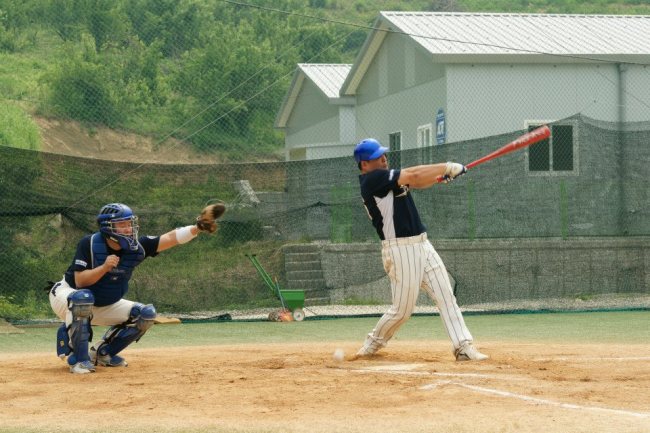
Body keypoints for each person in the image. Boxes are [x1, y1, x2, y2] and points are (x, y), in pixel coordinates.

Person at [352, 138, 488, 361]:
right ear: (364, 164)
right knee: (402, 311)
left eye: (383, 154)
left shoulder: (387, 178)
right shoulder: (372, 180)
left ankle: (463, 346)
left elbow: (416, 182)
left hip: (422, 244)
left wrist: (440, 177)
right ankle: (372, 343)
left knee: (446, 296)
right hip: (400, 250)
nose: (384, 159)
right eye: (377, 157)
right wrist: (447, 167)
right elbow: (413, 175)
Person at [48, 202, 223, 374]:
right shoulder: (90, 243)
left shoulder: (137, 247)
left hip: (102, 303)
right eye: (122, 224)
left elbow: (170, 238)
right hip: (67, 297)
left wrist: (197, 228)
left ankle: (102, 353)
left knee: (145, 314)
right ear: (107, 227)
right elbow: (80, 281)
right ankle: (78, 359)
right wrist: (103, 268)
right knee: (83, 298)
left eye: (129, 224)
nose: (128, 229)